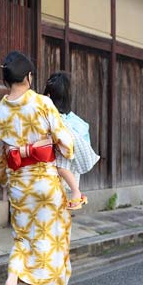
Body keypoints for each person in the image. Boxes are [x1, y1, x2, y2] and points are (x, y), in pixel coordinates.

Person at [0, 51, 74, 285]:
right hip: (45, 180)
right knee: (48, 236)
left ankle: (12, 281)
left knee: (23, 237)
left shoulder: (1, 109)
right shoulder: (42, 103)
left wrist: (4, 177)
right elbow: (66, 143)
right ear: (30, 77)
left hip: (19, 183)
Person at [43, 72, 100, 210]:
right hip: (73, 171)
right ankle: (75, 192)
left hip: (57, 171)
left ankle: (76, 192)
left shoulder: (55, 119)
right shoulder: (75, 121)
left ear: (48, 96)